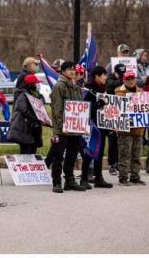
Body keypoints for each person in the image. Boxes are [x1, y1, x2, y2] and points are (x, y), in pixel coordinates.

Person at [49, 61, 87, 193]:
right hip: (62, 129)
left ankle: (70, 180)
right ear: (63, 71)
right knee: (58, 155)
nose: (72, 72)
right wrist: (60, 126)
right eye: (69, 70)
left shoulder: (76, 86)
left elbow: (80, 106)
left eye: (74, 70)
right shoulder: (59, 86)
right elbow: (57, 108)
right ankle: (57, 182)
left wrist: (82, 123)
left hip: (75, 128)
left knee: (72, 155)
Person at [81, 66, 114, 189]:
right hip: (92, 126)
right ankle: (84, 178)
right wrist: (100, 103)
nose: (106, 77)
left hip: (102, 126)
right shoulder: (89, 90)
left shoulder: (103, 89)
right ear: (97, 77)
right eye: (104, 75)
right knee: (89, 152)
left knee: (99, 152)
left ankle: (99, 178)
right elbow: (87, 109)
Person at [115, 71, 146, 186]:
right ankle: (123, 177)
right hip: (125, 130)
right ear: (124, 80)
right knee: (125, 154)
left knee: (136, 154)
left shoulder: (141, 93)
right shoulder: (120, 93)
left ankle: (135, 176)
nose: (131, 81)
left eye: (132, 79)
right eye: (128, 79)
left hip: (138, 129)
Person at [7, 74, 43, 154]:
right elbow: (23, 110)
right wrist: (36, 118)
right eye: (34, 83)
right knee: (26, 153)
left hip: (33, 129)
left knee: (33, 151)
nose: (36, 85)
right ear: (29, 84)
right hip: (24, 128)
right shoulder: (22, 95)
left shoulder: (35, 95)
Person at [105, 63, 126, 175]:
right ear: (115, 72)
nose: (121, 76)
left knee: (120, 140)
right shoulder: (109, 79)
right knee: (112, 139)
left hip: (121, 112)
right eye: (120, 74)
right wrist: (123, 80)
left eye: (123, 74)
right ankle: (111, 164)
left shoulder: (123, 79)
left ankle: (117, 162)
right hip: (111, 113)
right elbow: (110, 85)